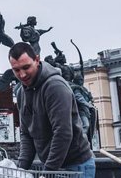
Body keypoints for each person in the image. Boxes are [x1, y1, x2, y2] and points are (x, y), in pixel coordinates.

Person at [9, 42, 95, 177]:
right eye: (16, 70)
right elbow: (26, 133)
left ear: (37, 60)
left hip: (75, 166)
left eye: (26, 67)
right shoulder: (21, 92)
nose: (22, 75)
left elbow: (63, 133)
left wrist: (47, 172)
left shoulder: (55, 87)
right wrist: (20, 170)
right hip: (54, 166)